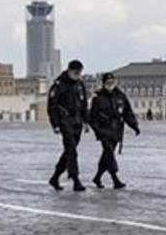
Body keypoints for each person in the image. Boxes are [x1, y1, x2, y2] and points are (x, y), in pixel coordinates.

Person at [88, 72, 139, 189]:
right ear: (103, 83)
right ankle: (116, 180)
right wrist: (97, 130)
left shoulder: (121, 96)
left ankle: (97, 177)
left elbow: (127, 112)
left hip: (116, 130)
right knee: (109, 154)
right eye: (108, 83)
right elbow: (92, 117)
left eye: (112, 82)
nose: (110, 84)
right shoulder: (98, 98)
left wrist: (134, 125)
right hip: (104, 130)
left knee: (106, 156)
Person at [47, 59, 90, 192]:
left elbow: (84, 105)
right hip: (65, 121)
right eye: (76, 72)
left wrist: (86, 121)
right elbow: (52, 106)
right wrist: (55, 124)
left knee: (68, 152)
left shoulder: (79, 85)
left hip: (77, 121)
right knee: (71, 150)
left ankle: (55, 177)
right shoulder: (59, 85)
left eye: (80, 72)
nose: (78, 74)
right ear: (70, 70)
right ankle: (75, 179)